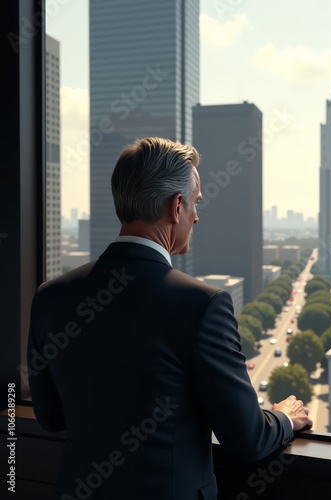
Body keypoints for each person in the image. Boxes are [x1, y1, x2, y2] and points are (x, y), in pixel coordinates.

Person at [27, 137, 312, 500]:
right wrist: (285, 416)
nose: (197, 215)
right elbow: (248, 439)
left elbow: (51, 417)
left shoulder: (50, 296)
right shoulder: (203, 304)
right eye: (195, 202)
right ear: (176, 206)